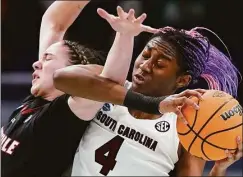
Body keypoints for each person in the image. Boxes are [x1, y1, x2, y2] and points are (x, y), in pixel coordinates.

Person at [53, 7, 243, 176]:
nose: (145, 66)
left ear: (182, 80)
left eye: (159, 64)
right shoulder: (108, 86)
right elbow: (61, 78)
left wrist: (219, 169)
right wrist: (152, 104)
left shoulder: (186, 126)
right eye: (145, 55)